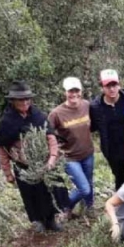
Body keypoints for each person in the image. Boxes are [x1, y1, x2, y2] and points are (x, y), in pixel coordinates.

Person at [0, 81, 66, 233]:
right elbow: (2, 148)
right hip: (23, 166)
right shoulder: (7, 122)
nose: (25, 102)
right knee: (29, 193)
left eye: (28, 99)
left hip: (43, 163)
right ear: (12, 101)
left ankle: (51, 219)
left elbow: (51, 137)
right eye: (21, 99)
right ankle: (37, 220)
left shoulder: (39, 116)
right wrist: (7, 173)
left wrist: (52, 158)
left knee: (48, 191)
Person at [48, 77, 95, 218]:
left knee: (89, 183)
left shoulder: (86, 105)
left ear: (81, 91)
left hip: (88, 153)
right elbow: (47, 134)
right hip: (69, 157)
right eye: (70, 91)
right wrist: (53, 154)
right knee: (84, 188)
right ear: (65, 92)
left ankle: (89, 208)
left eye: (76, 90)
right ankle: (66, 205)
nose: (74, 94)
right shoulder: (56, 113)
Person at [90, 69, 124, 190]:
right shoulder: (95, 107)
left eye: (114, 85)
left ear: (119, 85)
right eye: (108, 86)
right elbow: (91, 127)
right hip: (112, 149)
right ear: (102, 87)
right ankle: (120, 205)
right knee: (119, 178)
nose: (112, 89)